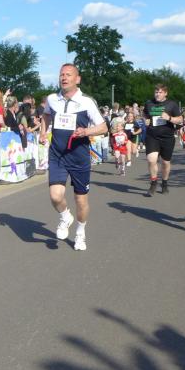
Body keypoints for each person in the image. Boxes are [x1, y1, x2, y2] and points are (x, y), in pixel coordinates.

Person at [40, 63, 108, 251]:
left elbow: (103, 127)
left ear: (77, 79)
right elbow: (46, 115)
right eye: (61, 74)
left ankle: (80, 232)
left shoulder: (86, 102)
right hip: (57, 155)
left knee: (81, 200)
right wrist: (43, 132)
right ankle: (65, 217)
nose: (64, 78)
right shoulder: (52, 99)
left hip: (79, 157)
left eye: (68, 75)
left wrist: (86, 131)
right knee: (55, 196)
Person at [143, 83, 183, 195]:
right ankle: (153, 183)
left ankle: (164, 183)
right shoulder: (149, 103)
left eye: (160, 92)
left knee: (165, 162)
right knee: (151, 160)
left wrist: (169, 118)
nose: (157, 94)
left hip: (167, 137)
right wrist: (145, 120)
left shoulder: (172, 104)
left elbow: (180, 119)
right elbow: (144, 114)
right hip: (152, 136)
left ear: (165, 93)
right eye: (156, 92)